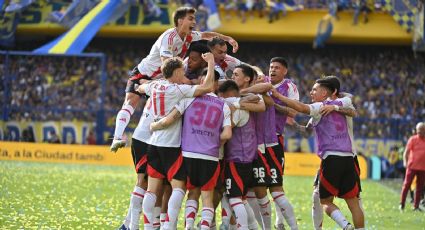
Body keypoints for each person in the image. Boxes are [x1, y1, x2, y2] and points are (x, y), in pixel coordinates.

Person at [111, 6, 239, 152]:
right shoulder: (169, 37)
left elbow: (206, 35)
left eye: (194, 19)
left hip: (162, 79)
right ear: (180, 21)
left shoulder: (189, 36)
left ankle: (153, 140)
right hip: (144, 74)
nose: (194, 22)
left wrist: (227, 38)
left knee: (162, 107)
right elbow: (167, 64)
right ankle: (117, 138)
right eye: (190, 19)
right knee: (130, 103)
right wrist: (184, 81)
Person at [271, 76, 365, 230]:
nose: (311, 92)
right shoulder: (331, 106)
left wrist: (277, 96)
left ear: (328, 92)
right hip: (345, 158)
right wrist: (293, 125)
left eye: (315, 89)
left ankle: (346, 226)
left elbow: (351, 111)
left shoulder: (331, 105)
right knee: (329, 197)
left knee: (328, 201)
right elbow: (308, 131)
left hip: (338, 158)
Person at [136, 53, 216, 230]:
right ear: (177, 72)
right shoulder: (179, 90)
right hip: (170, 146)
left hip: (153, 144)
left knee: (151, 189)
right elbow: (209, 86)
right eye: (182, 71)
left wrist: (140, 85)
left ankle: (149, 227)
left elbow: (142, 88)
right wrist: (210, 63)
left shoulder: (155, 86)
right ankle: (168, 226)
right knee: (178, 188)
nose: (185, 73)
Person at [149, 69, 232, 229]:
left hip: (187, 154)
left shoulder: (188, 99)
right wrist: (213, 142)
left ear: (203, 82)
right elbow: (227, 134)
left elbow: (169, 120)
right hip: (211, 156)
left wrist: (154, 125)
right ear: (216, 84)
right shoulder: (224, 106)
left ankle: (188, 226)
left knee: (191, 193)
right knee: (207, 198)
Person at [218, 79, 266, 230]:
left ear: (225, 93)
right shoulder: (243, 103)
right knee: (241, 199)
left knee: (234, 198)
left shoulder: (233, 105)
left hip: (236, 158)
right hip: (247, 158)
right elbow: (259, 100)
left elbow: (228, 129)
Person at [268, 57, 299, 230]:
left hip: (274, 138)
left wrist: (273, 103)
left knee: (275, 183)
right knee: (253, 187)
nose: (272, 70)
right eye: (271, 67)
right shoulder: (262, 82)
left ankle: (281, 221)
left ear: (284, 71)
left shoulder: (289, 87)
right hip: (253, 140)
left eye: (277, 68)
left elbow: (293, 112)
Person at [400, 122, 425, 211]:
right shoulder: (413, 139)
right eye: (418, 130)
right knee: (407, 184)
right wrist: (405, 162)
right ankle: (401, 204)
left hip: (423, 168)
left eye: (421, 130)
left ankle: (416, 206)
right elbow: (406, 152)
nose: (419, 132)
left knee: (419, 187)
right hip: (412, 166)